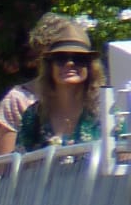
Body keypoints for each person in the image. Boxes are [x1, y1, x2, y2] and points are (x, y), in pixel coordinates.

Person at [14, 18, 105, 150]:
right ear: (49, 66)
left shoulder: (106, 113)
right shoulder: (33, 116)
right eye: (61, 58)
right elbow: (20, 165)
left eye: (79, 58)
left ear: (90, 66)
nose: (70, 63)